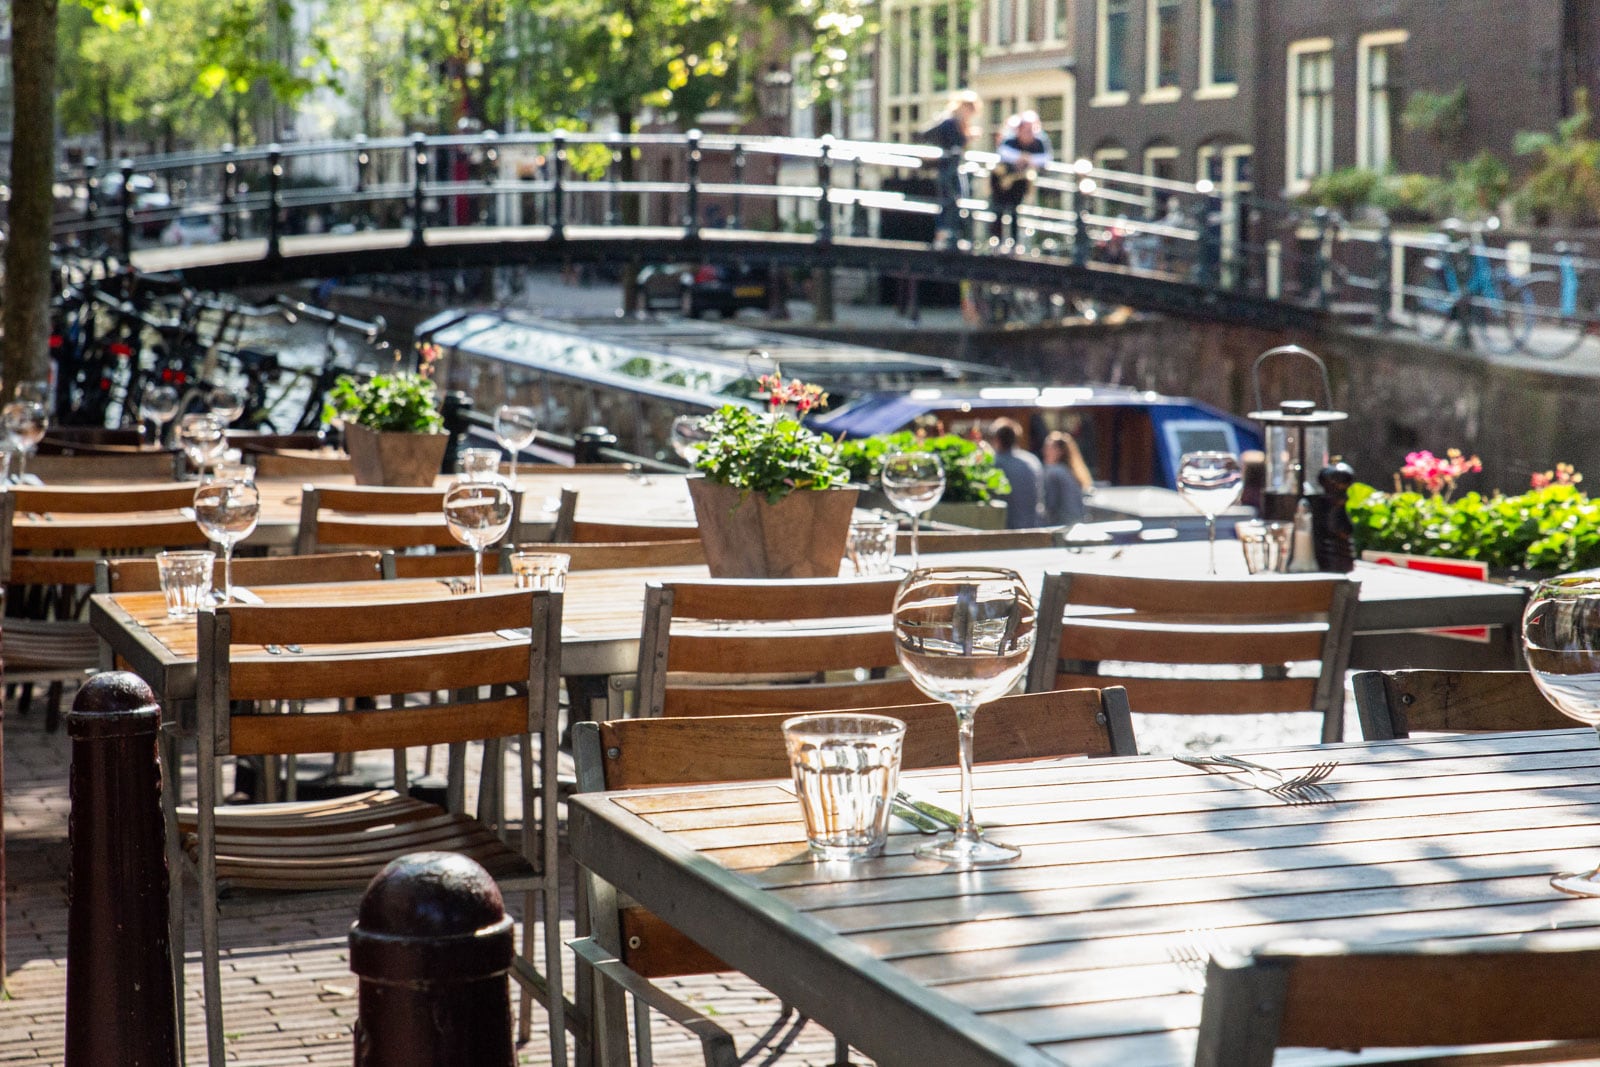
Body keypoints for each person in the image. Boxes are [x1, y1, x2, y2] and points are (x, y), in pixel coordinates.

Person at [922, 90, 981, 250]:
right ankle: (944, 237)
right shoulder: (949, 122)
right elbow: (929, 135)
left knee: (954, 201)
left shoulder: (957, 123)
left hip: (954, 169)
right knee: (949, 201)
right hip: (947, 169)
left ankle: (951, 236)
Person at [990, 111, 1052, 249]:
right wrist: (1020, 157)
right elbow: (1003, 152)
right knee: (998, 209)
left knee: (1015, 210)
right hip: (1002, 181)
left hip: (1019, 182)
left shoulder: (1040, 141)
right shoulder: (1010, 139)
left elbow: (1046, 158)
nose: (1029, 133)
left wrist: (1028, 159)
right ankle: (996, 241)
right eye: (1026, 130)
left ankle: (1014, 243)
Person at [988, 417, 1043, 529]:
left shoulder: (993, 463)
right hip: (1032, 528)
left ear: (997, 439)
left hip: (1004, 532)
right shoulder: (1032, 461)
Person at [1041, 430, 1094, 526]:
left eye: (1049, 448)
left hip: (1060, 528)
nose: (1044, 451)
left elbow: (1050, 505)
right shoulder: (1071, 471)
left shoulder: (1054, 472)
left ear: (1060, 451)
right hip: (1075, 525)